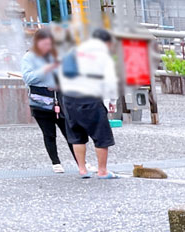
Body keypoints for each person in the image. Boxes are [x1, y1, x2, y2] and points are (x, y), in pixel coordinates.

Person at [58, 27, 119, 179]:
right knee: (101, 136)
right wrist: (112, 100)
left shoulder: (71, 53)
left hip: (69, 99)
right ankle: (102, 171)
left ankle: (82, 169)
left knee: (77, 135)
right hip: (91, 98)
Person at [21, 28, 68, 173]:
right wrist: (45, 70)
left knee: (70, 131)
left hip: (59, 99)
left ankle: (81, 162)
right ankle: (56, 162)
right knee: (49, 133)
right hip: (41, 101)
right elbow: (28, 78)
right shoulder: (29, 57)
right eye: (45, 43)